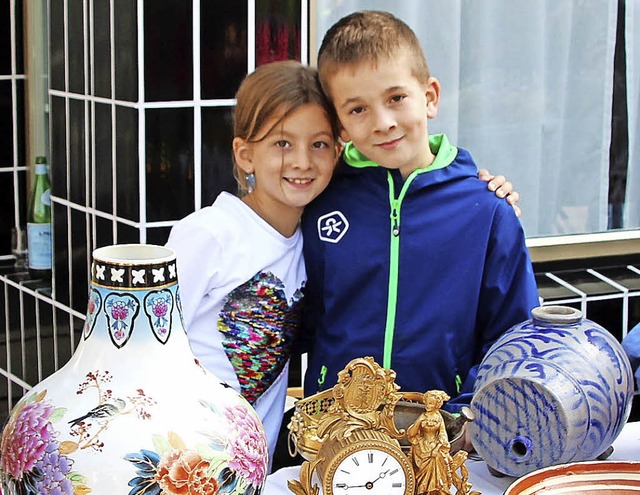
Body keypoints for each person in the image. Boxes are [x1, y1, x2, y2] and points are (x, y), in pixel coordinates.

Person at [300, 11, 540, 416]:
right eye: (357, 109)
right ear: (340, 125)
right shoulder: (322, 199)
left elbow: (513, 335)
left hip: (442, 430)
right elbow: (300, 315)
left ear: (429, 97)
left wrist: (468, 414)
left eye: (396, 98)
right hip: (336, 430)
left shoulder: (486, 211)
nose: (383, 122)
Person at [166, 60, 342, 464]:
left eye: (318, 144)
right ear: (245, 154)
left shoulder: (315, 239)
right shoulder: (208, 234)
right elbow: (151, 346)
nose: (302, 161)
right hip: (184, 459)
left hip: (252, 464)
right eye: (282, 143)